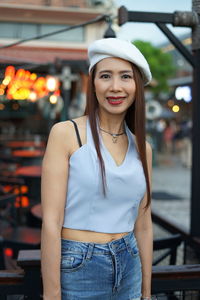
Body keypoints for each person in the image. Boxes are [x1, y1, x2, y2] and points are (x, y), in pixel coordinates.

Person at [41, 38, 153, 300]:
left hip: (130, 264)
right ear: (92, 84)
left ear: (137, 85)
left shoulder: (143, 148)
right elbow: (51, 223)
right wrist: (51, 295)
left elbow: (144, 224)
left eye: (126, 76)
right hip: (79, 266)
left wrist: (147, 293)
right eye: (105, 76)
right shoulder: (66, 134)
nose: (116, 87)